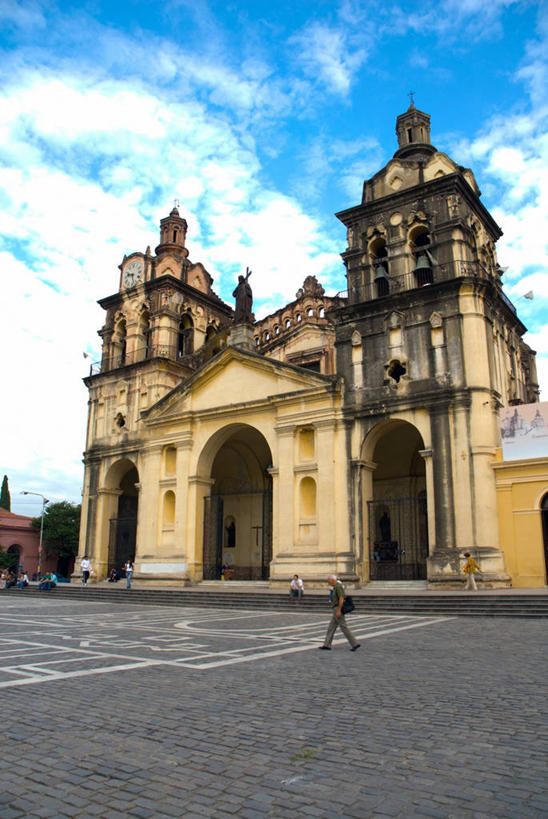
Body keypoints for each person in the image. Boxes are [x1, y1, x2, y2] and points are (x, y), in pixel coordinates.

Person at [319, 574, 360, 652]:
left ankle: (354, 643)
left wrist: (339, 610)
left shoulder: (338, 587)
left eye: (329, 581)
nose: (328, 583)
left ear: (333, 580)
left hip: (338, 609)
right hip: (335, 609)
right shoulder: (335, 587)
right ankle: (327, 645)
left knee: (344, 627)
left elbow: (341, 598)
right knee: (331, 627)